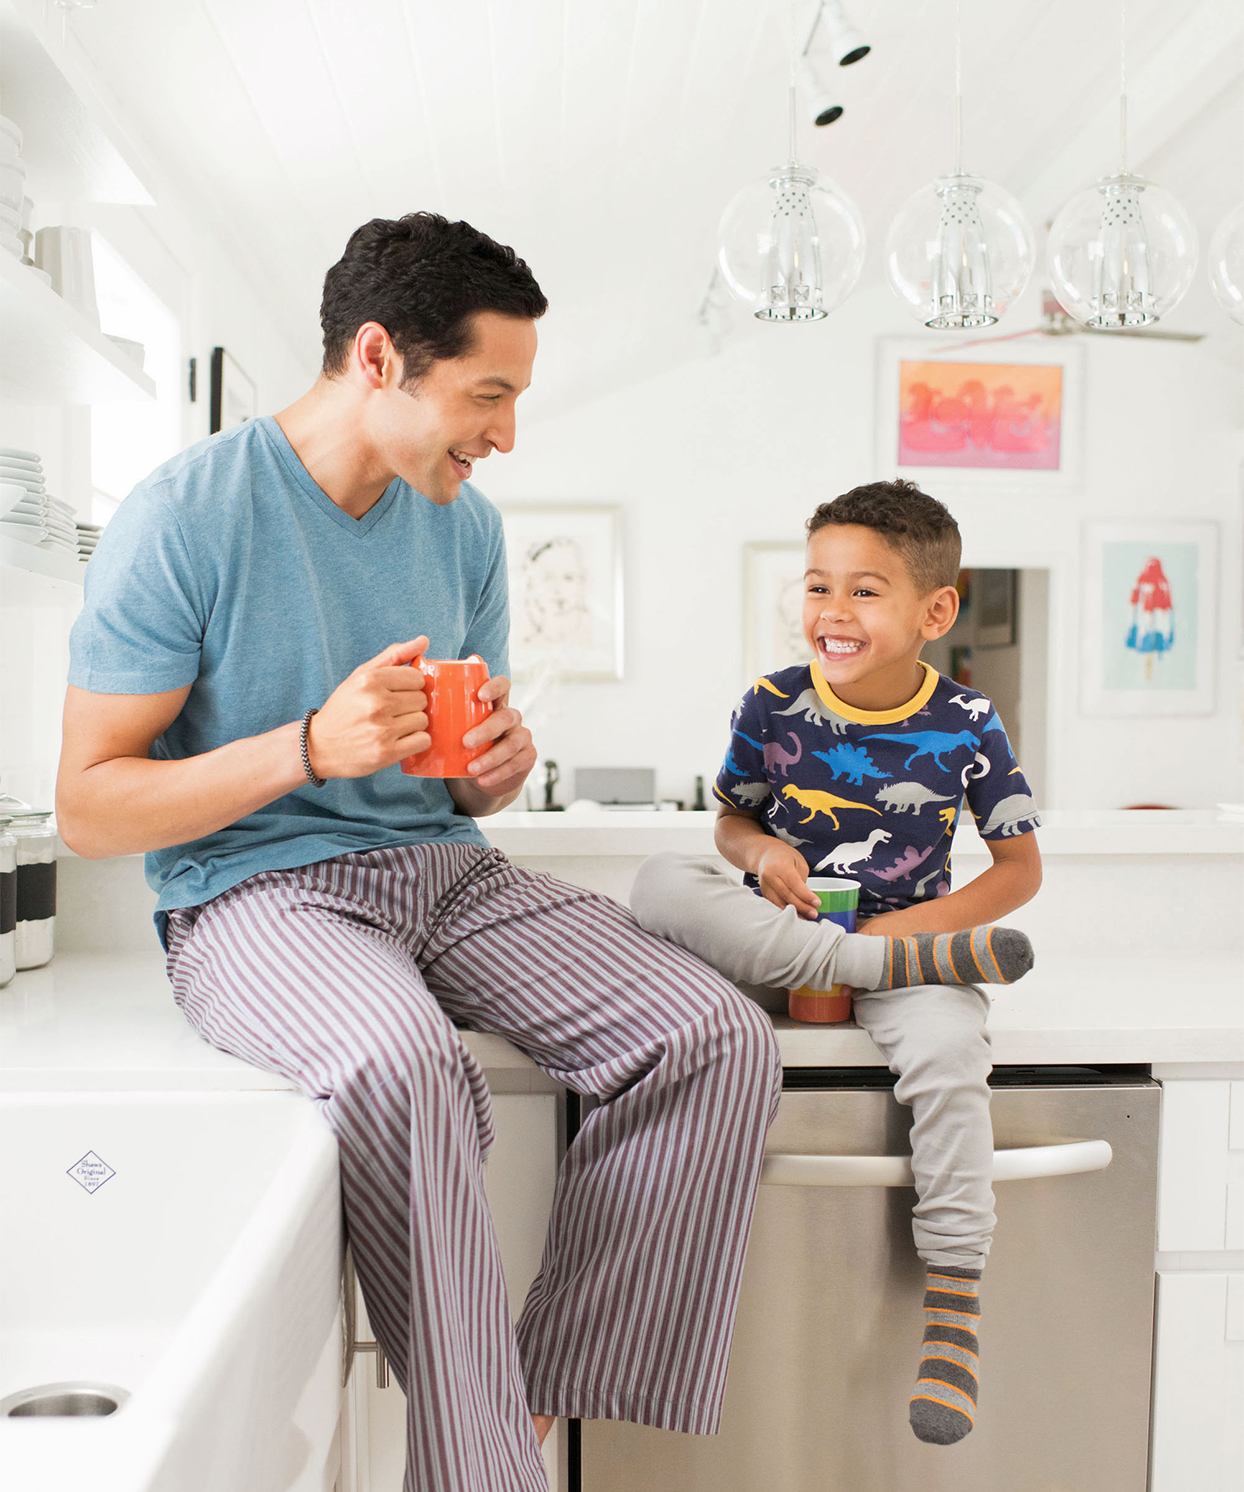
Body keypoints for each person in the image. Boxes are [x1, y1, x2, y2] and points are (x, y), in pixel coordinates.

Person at [55, 213, 781, 1492]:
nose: (504, 434)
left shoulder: (465, 528)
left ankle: (528, 1411)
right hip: (257, 895)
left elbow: (463, 783)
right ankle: (477, 1472)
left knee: (714, 1036)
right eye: (487, 395)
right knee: (401, 1063)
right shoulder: (186, 512)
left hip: (444, 876)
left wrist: (491, 771)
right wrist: (307, 749)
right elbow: (90, 806)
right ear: (379, 357)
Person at [630, 480, 1042, 1447]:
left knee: (949, 1065)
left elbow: (1018, 870)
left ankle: (953, 1313)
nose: (833, 612)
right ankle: (880, 958)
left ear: (935, 611)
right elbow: (730, 821)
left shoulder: (970, 722)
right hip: (788, 939)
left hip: (910, 951)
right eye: (819, 587)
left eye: (865, 591)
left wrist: (889, 948)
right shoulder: (772, 703)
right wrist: (761, 853)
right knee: (658, 879)